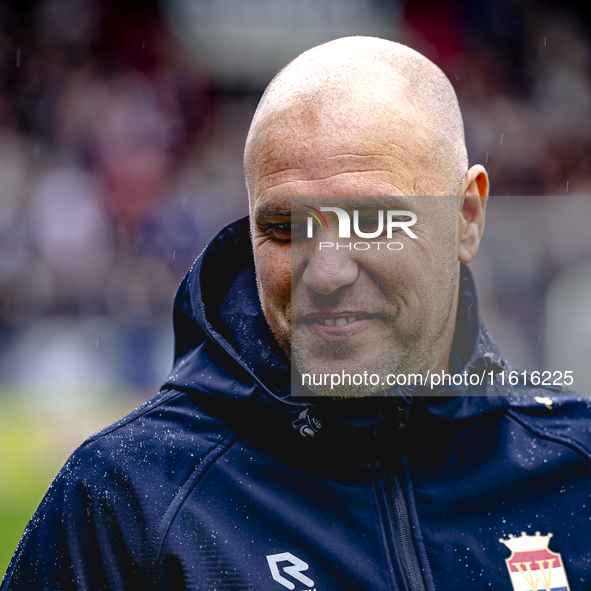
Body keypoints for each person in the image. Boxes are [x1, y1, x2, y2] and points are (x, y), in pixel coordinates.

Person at [2, 36, 590, 591]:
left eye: (373, 221)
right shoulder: (125, 499)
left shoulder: (577, 471)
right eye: (285, 228)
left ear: (467, 217)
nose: (327, 272)